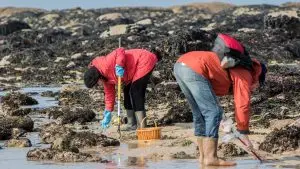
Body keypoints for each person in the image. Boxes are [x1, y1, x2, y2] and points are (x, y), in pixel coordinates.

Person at [173, 34, 267, 166]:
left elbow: (209, 91)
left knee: (200, 114)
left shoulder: (239, 67)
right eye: (258, 85)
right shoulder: (246, 73)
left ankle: (203, 157)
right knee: (213, 113)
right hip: (194, 67)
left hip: (181, 65)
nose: (256, 87)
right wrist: (243, 132)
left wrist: (224, 119)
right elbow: (242, 104)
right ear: (259, 76)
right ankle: (211, 158)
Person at [84, 47, 159, 130]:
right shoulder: (105, 79)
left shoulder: (105, 63)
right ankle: (132, 124)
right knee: (127, 92)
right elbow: (109, 95)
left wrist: (119, 65)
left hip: (144, 60)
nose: (98, 85)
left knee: (135, 92)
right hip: (131, 71)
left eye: (96, 84)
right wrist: (108, 112)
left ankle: (142, 126)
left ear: (98, 78)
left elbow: (120, 50)